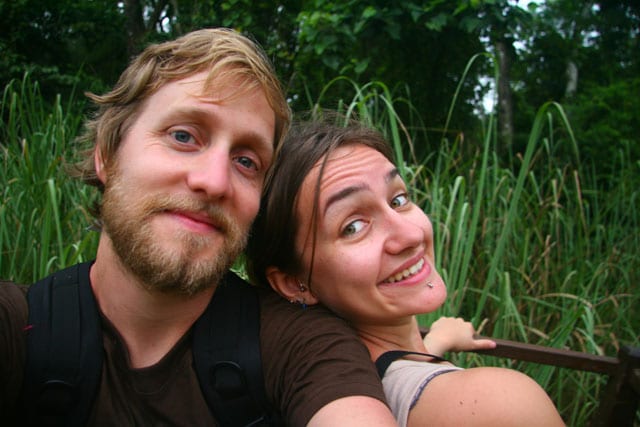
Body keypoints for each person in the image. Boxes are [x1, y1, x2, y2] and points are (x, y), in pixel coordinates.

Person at [0, 29, 399, 426]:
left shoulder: (301, 347)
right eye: (183, 136)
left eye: (246, 162)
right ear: (107, 154)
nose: (215, 181)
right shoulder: (17, 329)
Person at [246, 117, 566, 427]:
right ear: (294, 283)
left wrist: (434, 344)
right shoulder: (499, 404)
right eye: (353, 226)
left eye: (398, 199)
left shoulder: (307, 388)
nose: (412, 235)